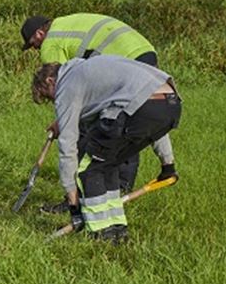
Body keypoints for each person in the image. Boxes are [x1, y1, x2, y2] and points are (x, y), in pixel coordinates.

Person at [31, 56, 180, 245]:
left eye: (49, 96)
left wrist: (72, 200)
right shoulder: (89, 71)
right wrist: (168, 163)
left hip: (140, 108)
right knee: (107, 163)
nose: (54, 102)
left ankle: (101, 235)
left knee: (88, 169)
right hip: (170, 105)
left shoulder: (67, 84)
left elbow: (68, 145)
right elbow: (147, 112)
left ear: (50, 81)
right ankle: (116, 229)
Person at [21, 12, 164, 193]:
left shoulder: (50, 43)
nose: (35, 48)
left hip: (125, 61)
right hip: (143, 52)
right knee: (128, 123)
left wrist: (63, 122)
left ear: (40, 34)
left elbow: (62, 86)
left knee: (93, 130)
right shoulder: (65, 24)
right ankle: (120, 187)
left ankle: (81, 194)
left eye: (33, 43)